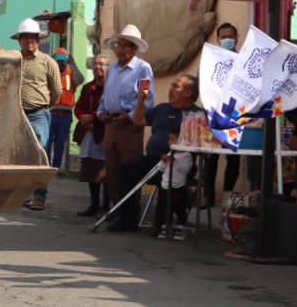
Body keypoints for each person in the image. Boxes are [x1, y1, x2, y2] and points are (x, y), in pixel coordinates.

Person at [97, 25, 156, 231]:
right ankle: (117, 210)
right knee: (112, 169)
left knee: (128, 169)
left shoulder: (143, 68)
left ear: (133, 49)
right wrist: (101, 112)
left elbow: (148, 101)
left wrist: (129, 116)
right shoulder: (112, 68)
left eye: (123, 45)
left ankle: (130, 214)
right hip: (111, 124)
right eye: (118, 44)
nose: (118, 48)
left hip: (129, 126)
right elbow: (105, 96)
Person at [134, 74, 202, 239]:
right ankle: (126, 217)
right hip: (153, 160)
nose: (170, 88)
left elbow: (200, 142)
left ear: (187, 93)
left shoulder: (197, 115)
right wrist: (141, 100)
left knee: (170, 180)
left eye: (175, 85)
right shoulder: (162, 108)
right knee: (127, 168)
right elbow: (138, 121)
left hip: (179, 162)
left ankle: (165, 222)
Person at [12, 18, 61, 211]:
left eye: (32, 38)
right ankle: (24, 195)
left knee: (39, 155)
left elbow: (56, 90)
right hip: (17, 115)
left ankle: (39, 196)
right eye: (25, 38)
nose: (28, 41)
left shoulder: (48, 62)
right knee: (20, 156)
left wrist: (45, 106)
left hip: (39, 114)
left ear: (38, 40)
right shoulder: (14, 60)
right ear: (19, 40)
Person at [200, 22, 241, 203]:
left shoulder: (243, 61)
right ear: (217, 39)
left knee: (233, 158)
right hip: (212, 115)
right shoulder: (209, 60)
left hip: (235, 116)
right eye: (223, 37)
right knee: (210, 158)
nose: (227, 40)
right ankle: (208, 197)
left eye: (230, 37)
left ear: (236, 38)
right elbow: (201, 83)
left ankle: (227, 197)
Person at [74, 56, 108, 217]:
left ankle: (106, 206)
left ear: (108, 67)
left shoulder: (111, 87)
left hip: (104, 131)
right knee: (90, 168)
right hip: (88, 132)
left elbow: (108, 107)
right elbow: (79, 106)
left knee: (105, 168)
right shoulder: (88, 87)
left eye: (101, 64)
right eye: (95, 64)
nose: (97, 67)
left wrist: (93, 117)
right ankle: (94, 204)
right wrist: (83, 118)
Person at [47, 48, 84, 172]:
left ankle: (56, 167)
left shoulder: (70, 74)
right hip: (50, 113)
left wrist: (73, 63)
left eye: (63, 59)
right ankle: (46, 167)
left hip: (65, 115)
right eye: (58, 59)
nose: (61, 62)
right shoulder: (50, 74)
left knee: (60, 143)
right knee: (46, 142)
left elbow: (80, 79)